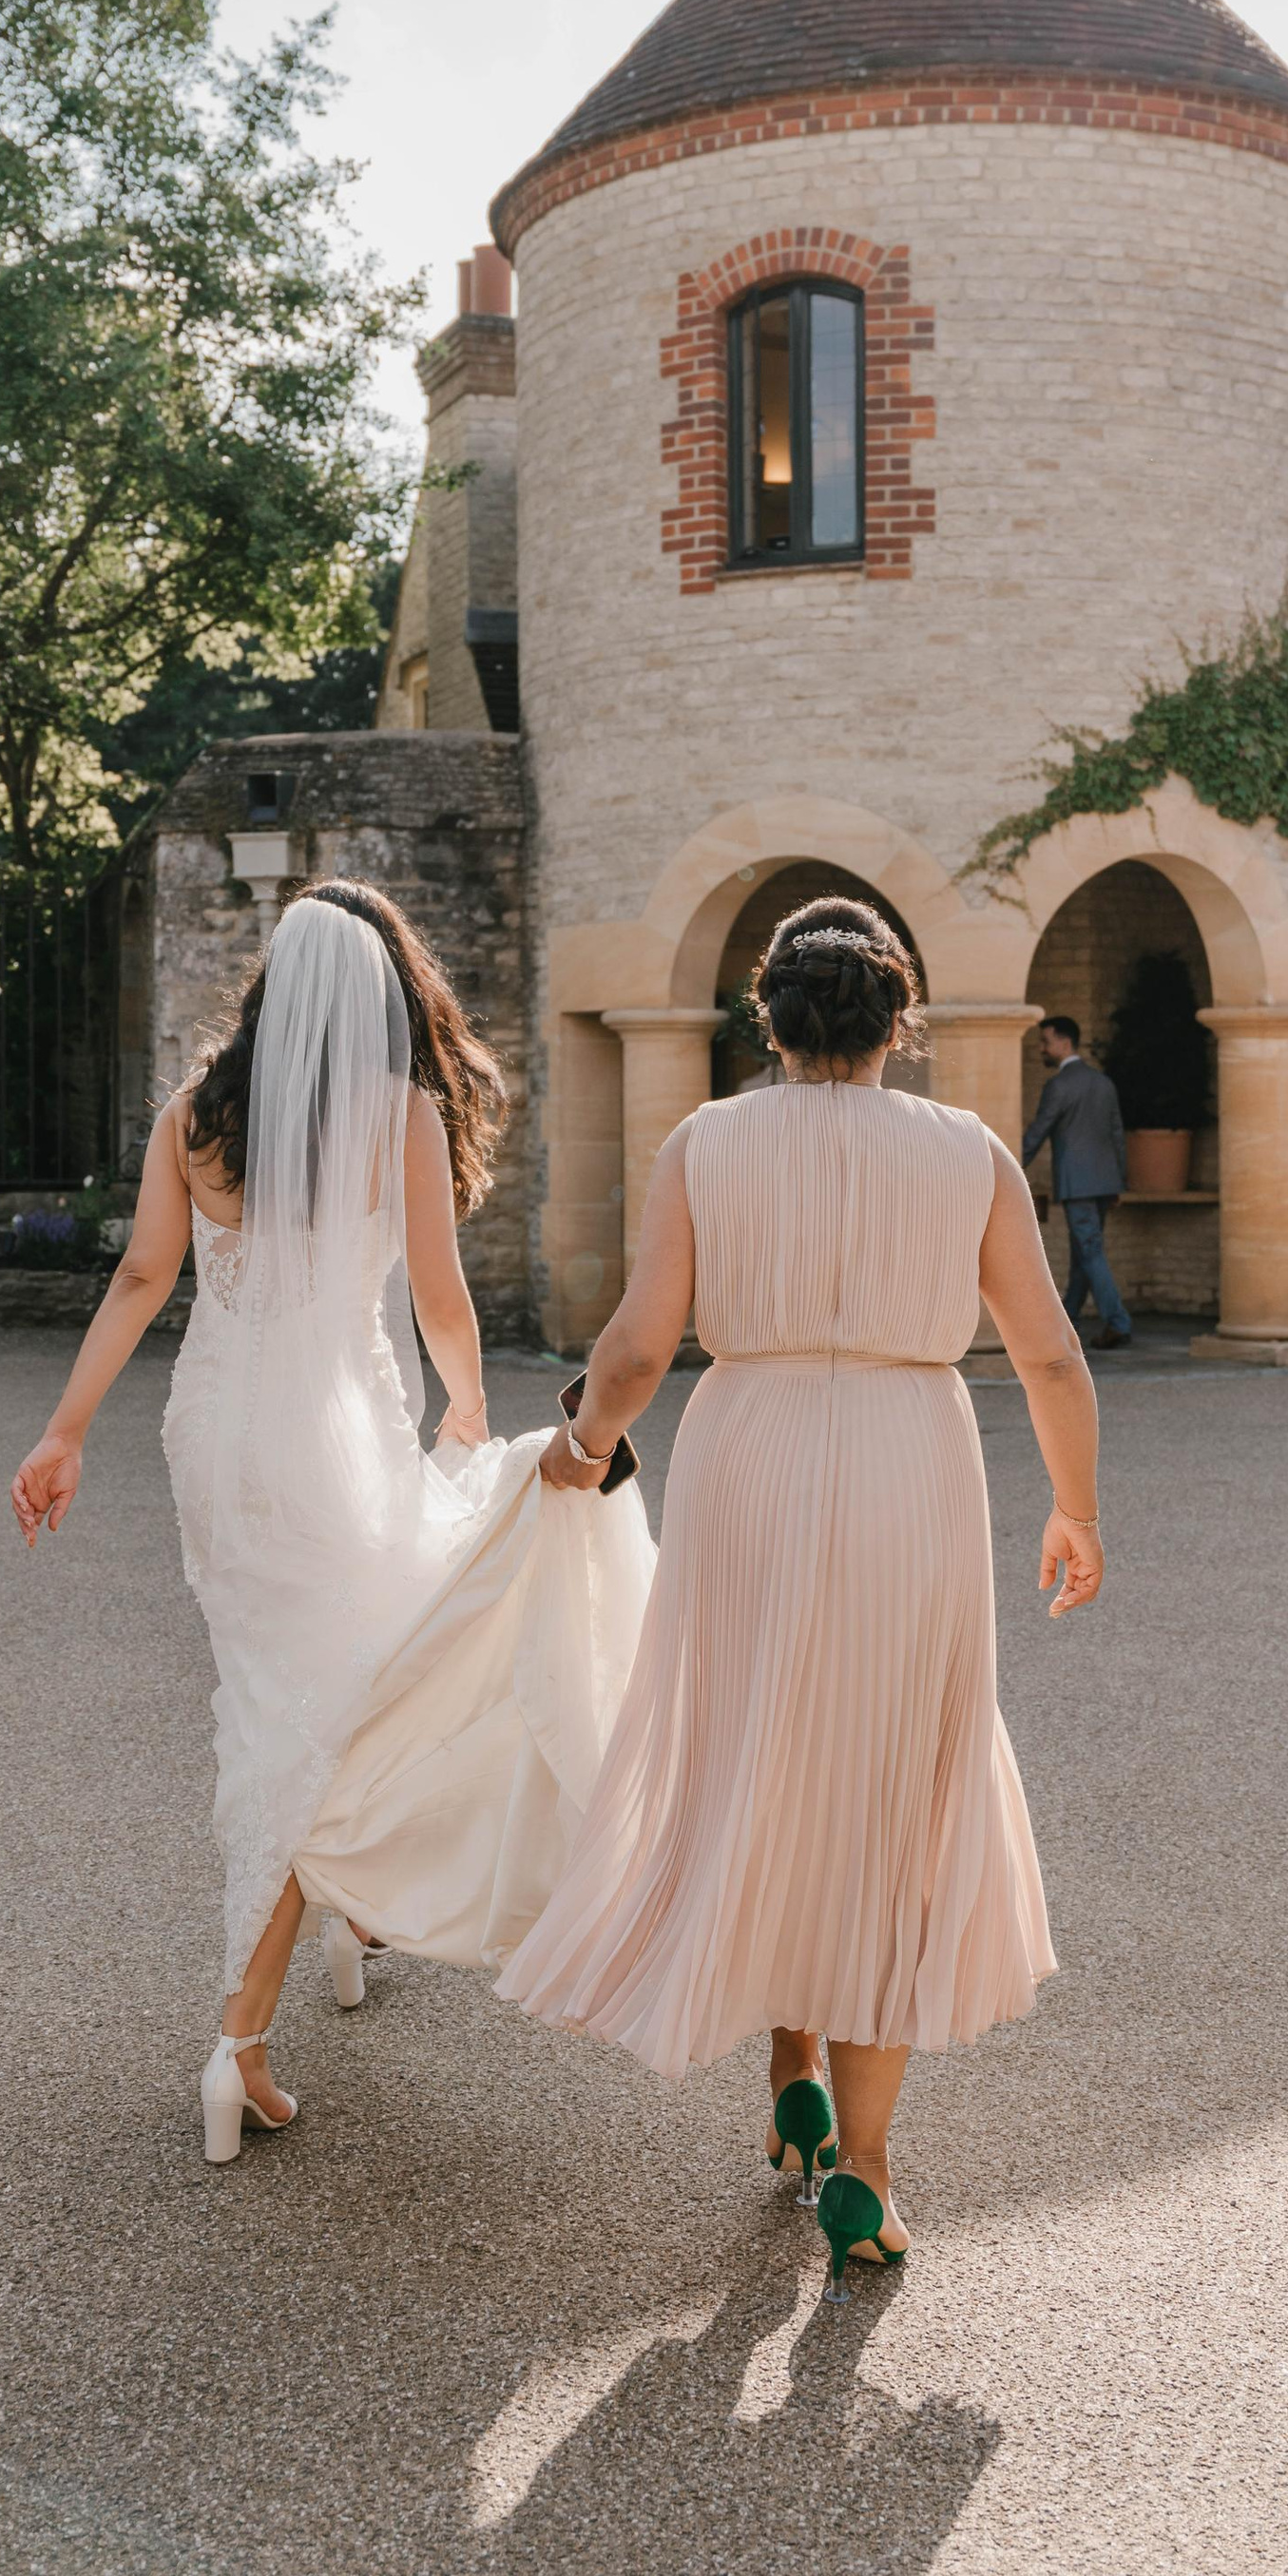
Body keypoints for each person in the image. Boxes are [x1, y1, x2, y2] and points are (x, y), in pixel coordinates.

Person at [500, 899, 1103, 2291]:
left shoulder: (707, 1141)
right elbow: (1053, 1357)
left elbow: (644, 1342)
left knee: (762, 1748)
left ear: (763, 1020)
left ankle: (790, 2069)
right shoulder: (969, 1153)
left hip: (750, 1452)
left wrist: (584, 1447)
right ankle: (870, 2176)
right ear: (903, 1022)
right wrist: (1076, 1507)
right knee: (891, 1785)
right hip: (912, 1461)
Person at [10, 883, 652, 2163]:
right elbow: (436, 1292)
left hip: (218, 1432)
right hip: (337, 1432)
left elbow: (144, 1276)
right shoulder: (396, 1115)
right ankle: (240, 2035)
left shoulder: (199, 1116)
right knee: (343, 1698)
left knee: (281, 1686)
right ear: (372, 994)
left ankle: (342, 1932)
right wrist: (469, 1410)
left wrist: (64, 1428)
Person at [1023, 1013, 1132, 1350]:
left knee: (1090, 1251)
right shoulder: (1103, 1082)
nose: (1042, 1048)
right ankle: (1068, 1319)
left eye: (1046, 1041)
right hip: (1103, 1183)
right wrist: (1119, 1181)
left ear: (1064, 1042)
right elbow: (1117, 1134)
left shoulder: (1059, 1085)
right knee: (1082, 1253)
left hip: (1078, 1184)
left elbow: (1039, 1131)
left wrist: (1008, 1166)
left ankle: (1118, 1322)